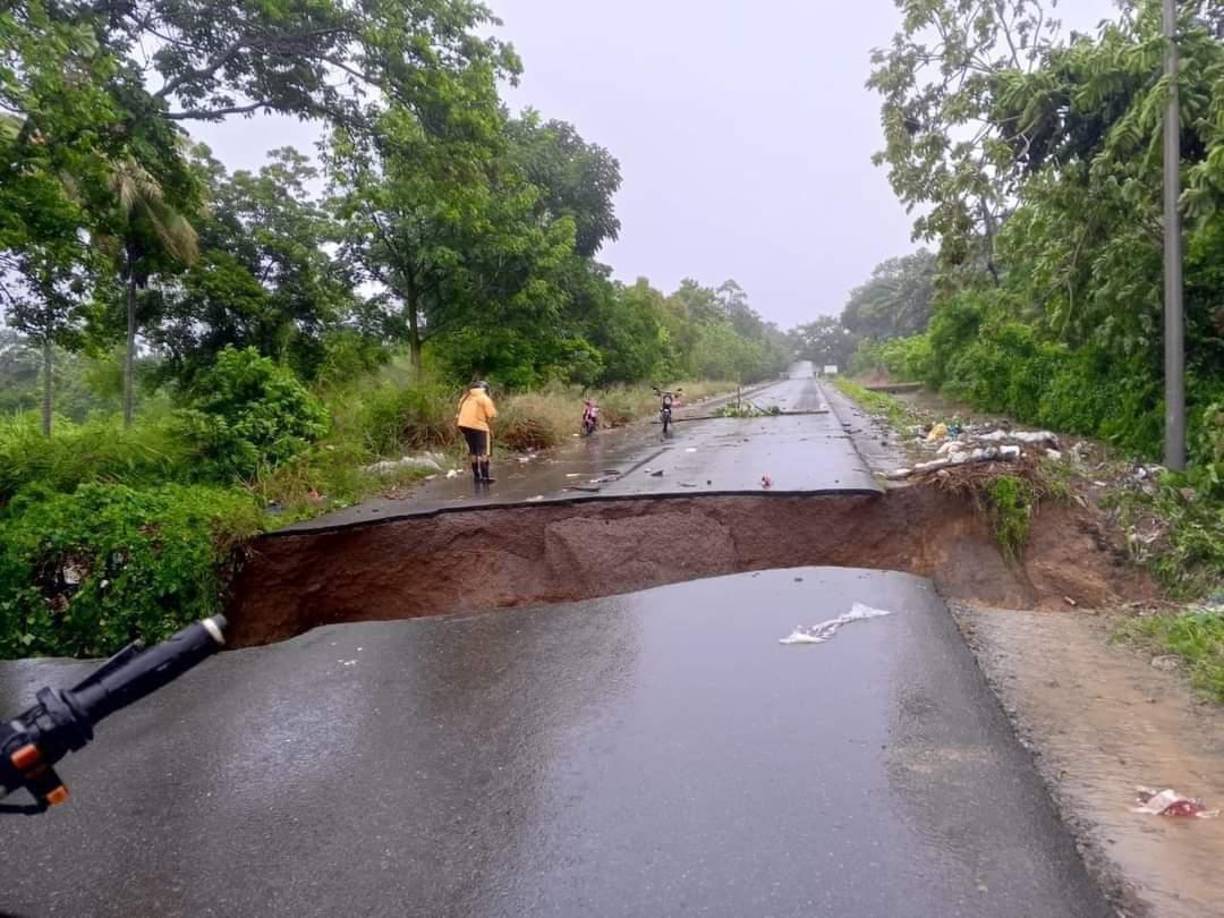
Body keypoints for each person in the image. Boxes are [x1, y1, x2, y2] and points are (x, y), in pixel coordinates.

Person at [456, 380, 498, 483]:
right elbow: (492, 415)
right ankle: (485, 477)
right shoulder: (483, 398)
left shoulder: (465, 397)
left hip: (464, 426)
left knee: (473, 451)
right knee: (484, 451)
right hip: (479, 426)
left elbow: (459, 411)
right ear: (484, 389)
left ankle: (476, 476)